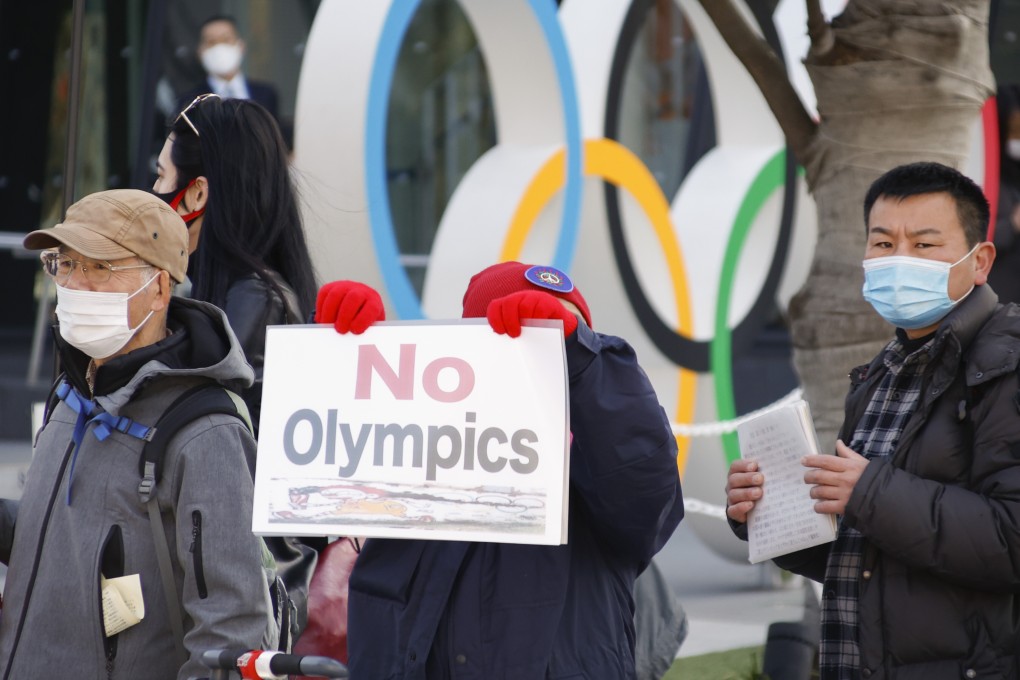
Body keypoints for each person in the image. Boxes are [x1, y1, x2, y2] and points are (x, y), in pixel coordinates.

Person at [315, 263, 685, 679]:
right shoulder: (419, 444)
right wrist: (347, 356)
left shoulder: (595, 470)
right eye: (526, 341)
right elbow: (306, 493)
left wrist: (586, 359)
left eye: (567, 338)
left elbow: (643, 485)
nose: (548, 360)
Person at [725, 161, 1020, 679]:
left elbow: (1010, 539)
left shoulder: (1005, 365)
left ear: (981, 261)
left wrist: (868, 493)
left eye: (925, 245)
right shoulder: (881, 371)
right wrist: (771, 514)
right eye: (883, 244)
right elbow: (862, 553)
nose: (899, 260)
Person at [0, 189, 271, 679]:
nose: (76, 283)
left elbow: (230, 638)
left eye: (101, 267)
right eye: (65, 263)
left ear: (160, 288)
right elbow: (71, 536)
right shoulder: (70, 396)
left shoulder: (204, 432)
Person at [152, 92, 321, 636]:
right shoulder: (244, 293)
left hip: (241, 594)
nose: (153, 195)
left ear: (196, 191)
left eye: (160, 177)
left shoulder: (249, 305)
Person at [176, 15, 279, 122]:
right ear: (200, 52)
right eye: (211, 42)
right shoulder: (190, 102)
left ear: (241, 46)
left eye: (226, 39)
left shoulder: (266, 94)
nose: (219, 47)